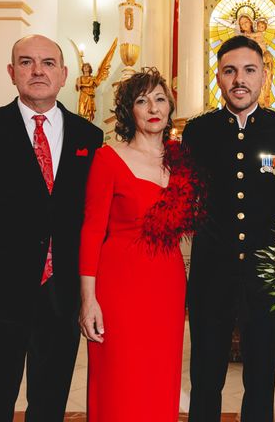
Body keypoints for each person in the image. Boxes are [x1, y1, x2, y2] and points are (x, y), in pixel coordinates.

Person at [0, 34, 103, 421]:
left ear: (64, 74)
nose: (37, 71)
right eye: (27, 62)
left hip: (61, 297)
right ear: (11, 72)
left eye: (48, 63)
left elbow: (93, 220)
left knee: (50, 405)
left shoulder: (90, 137)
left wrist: (91, 296)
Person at [182, 35, 275, 422]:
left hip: (265, 273)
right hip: (210, 270)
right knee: (205, 374)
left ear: (264, 76)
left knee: (261, 375)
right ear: (217, 76)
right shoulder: (198, 132)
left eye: (249, 70)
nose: (240, 79)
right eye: (230, 70)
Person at [78, 67, 204, 421]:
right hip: (119, 284)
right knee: (120, 376)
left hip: (167, 282)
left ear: (170, 107)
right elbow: (91, 231)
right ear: (128, 110)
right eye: (142, 100)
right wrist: (88, 300)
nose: (153, 107)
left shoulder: (180, 160)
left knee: (160, 375)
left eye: (160, 99)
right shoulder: (109, 158)